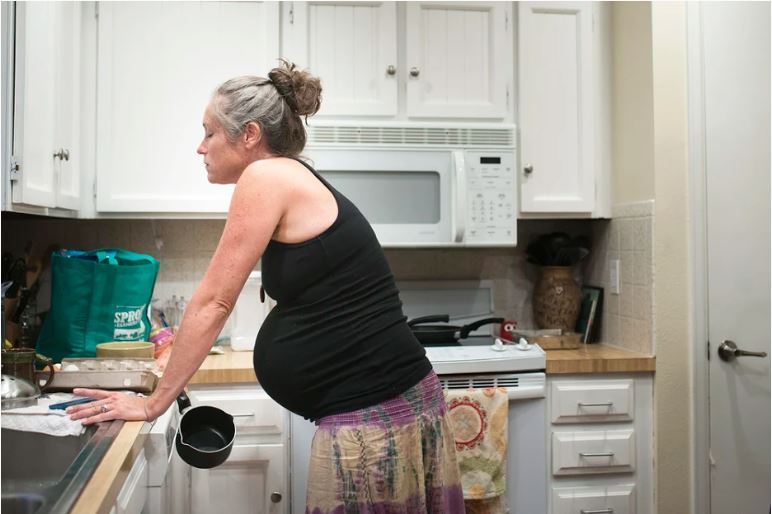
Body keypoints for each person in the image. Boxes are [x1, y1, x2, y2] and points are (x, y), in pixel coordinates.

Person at [67, 60, 464, 513]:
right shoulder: (290, 175)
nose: (201, 148)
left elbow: (214, 302)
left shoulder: (266, 176)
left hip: (375, 417)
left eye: (210, 133)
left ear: (250, 134)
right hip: (386, 407)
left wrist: (153, 403)